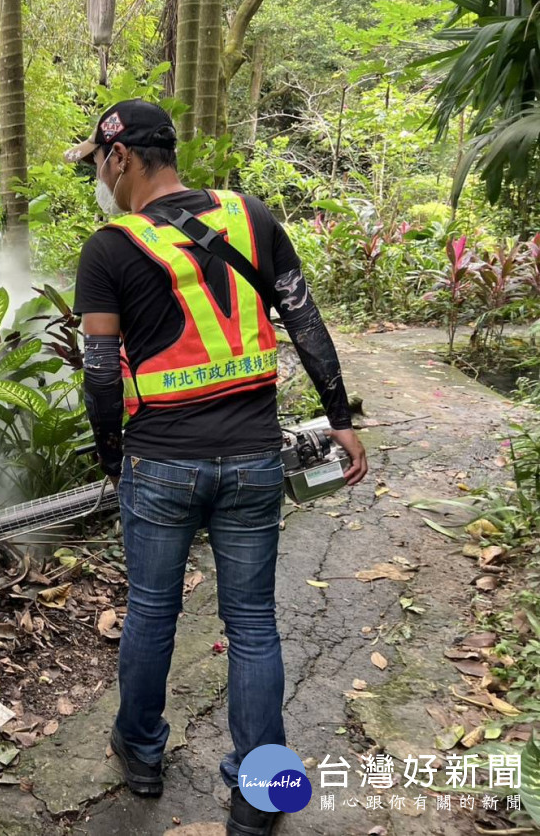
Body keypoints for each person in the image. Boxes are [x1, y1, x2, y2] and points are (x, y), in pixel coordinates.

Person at [66, 99, 368, 836]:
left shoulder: (109, 249)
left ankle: (140, 753)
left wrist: (115, 464)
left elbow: (102, 376)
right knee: (254, 625)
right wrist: (340, 420)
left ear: (122, 157)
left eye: (98, 164)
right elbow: (305, 321)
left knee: (151, 612)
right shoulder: (251, 216)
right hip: (254, 460)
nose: (98, 179)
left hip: (161, 465)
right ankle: (261, 794)